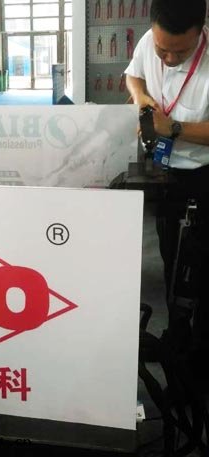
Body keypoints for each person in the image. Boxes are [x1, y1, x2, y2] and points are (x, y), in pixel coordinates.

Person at [125, 0, 209, 384]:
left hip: (204, 173)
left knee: (202, 266)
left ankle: (200, 357)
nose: (170, 59)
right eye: (163, 51)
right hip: (167, 173)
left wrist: (172, 127)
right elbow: (134, 75)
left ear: (200, 31)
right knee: (172, 257)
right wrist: (141, 97)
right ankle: (177, 337)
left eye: (181, 51)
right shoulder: (150, 41)